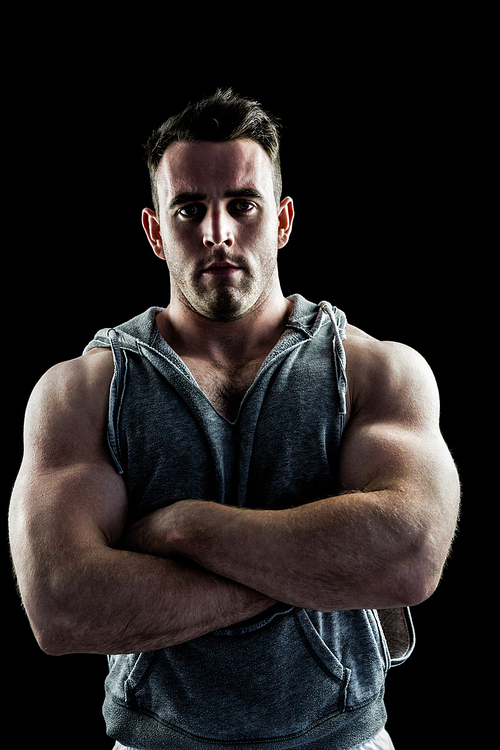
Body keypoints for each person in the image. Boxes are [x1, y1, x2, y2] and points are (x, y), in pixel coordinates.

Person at [9, 89, 460, 750]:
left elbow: (409, 558)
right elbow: (64, 607)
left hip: (345, 740)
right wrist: (326, 570)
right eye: (190, 209)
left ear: (281, 221)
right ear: (156, 231)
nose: (217, 231)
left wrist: (183, 529)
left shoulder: (374, 371)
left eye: (241, 205)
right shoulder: (83, 390)